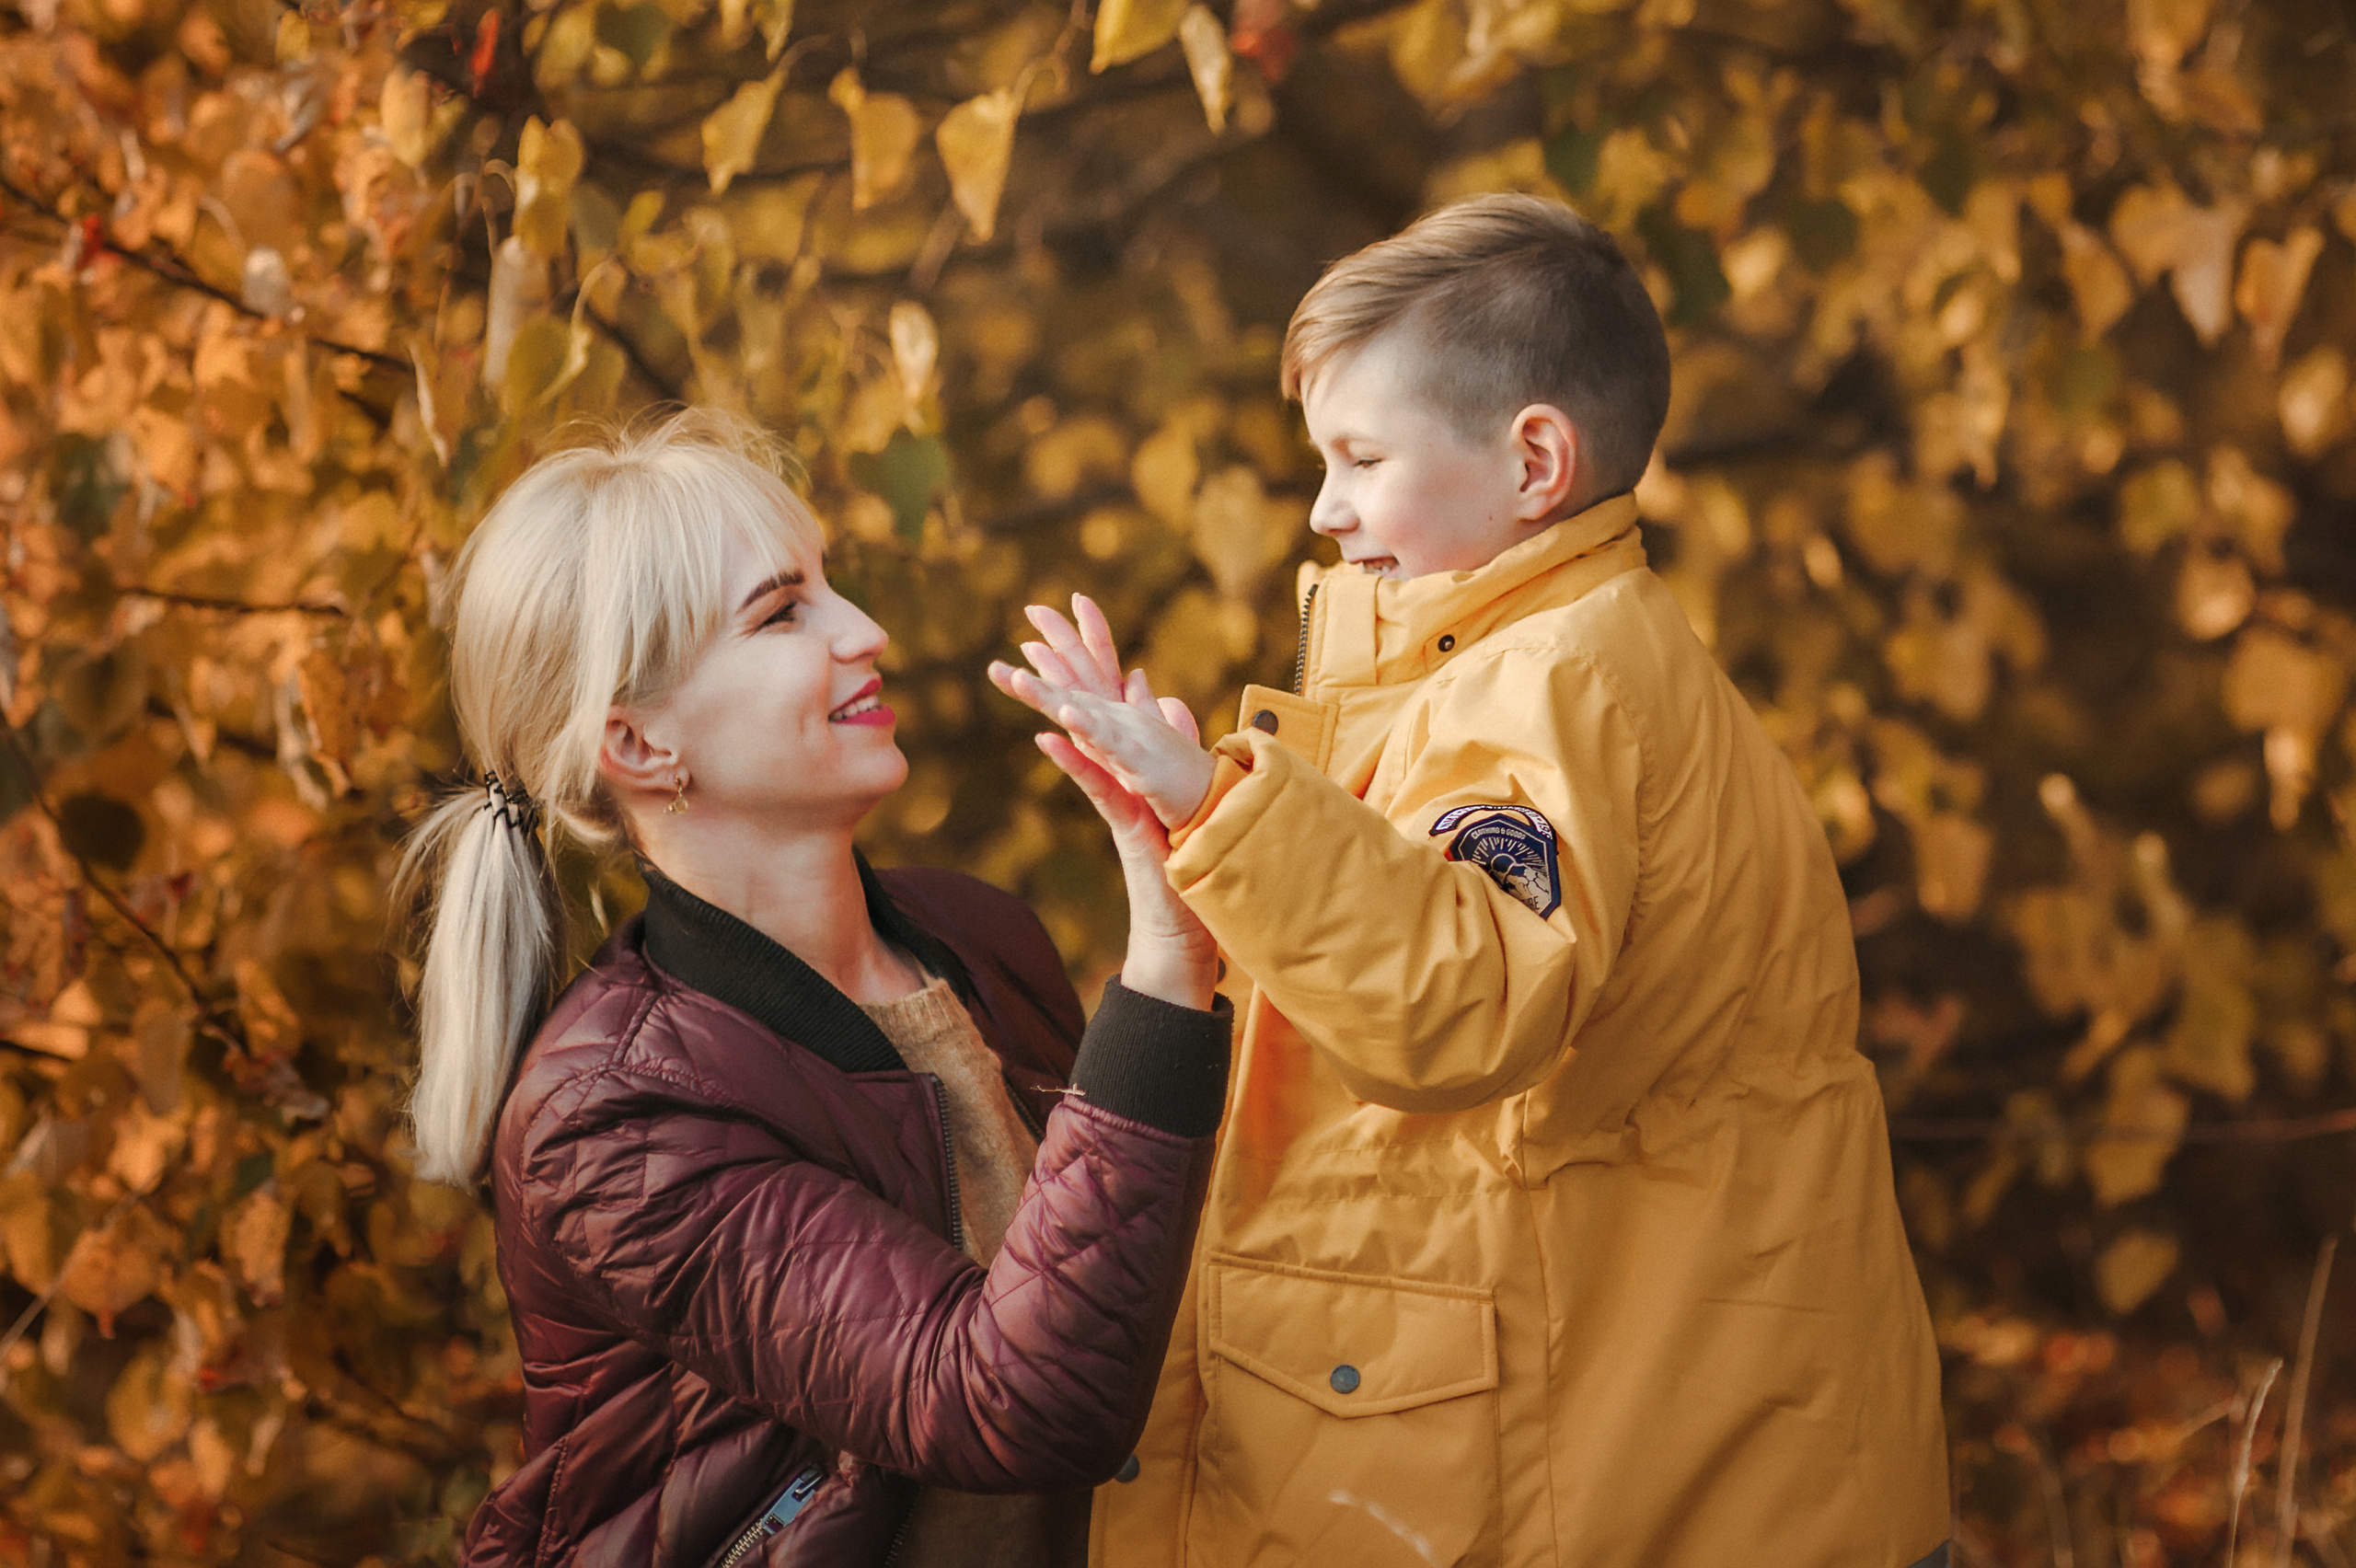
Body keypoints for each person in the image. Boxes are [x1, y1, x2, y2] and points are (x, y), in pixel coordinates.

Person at [992, 194, 1951, 1568]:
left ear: (1535, 462)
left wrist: (1218, 804)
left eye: (1359, 458)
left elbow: (1462, 1000)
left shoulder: (1552, 683)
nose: (1325, 510)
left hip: (1645, 1476)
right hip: (1720, 1448)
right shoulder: (1547, 664)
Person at [395, 409, 1230, 1568]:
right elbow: (1015, 1401)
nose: (865, 630)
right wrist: (1167, 973)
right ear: (638, 746)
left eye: (829, 588)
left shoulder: (980, 941)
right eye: (783, 613)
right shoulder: (612, 1118)